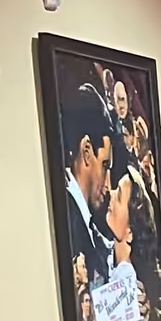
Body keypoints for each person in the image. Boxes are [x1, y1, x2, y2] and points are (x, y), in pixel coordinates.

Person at [59, 83, 116, 288]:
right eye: (105, 165)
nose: (108, 186)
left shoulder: (86, 225)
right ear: (86, 151)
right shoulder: (70, 222)